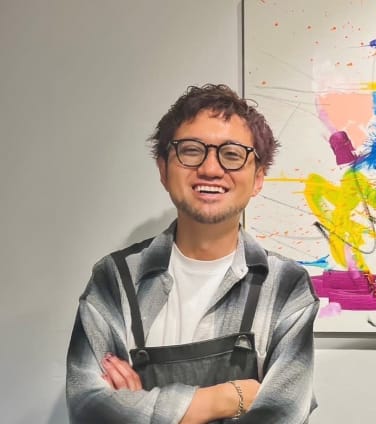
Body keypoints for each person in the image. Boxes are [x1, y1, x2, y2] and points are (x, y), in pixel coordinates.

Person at [66, 84, 319, 423]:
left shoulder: (285, 285)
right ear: (163, 169)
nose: (211, 169)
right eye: (191, 150)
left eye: (232, 154)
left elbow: (284, 412)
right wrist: (226, 398)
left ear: (258, 178)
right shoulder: (116, 279)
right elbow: (88, 408)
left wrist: (139, 407)